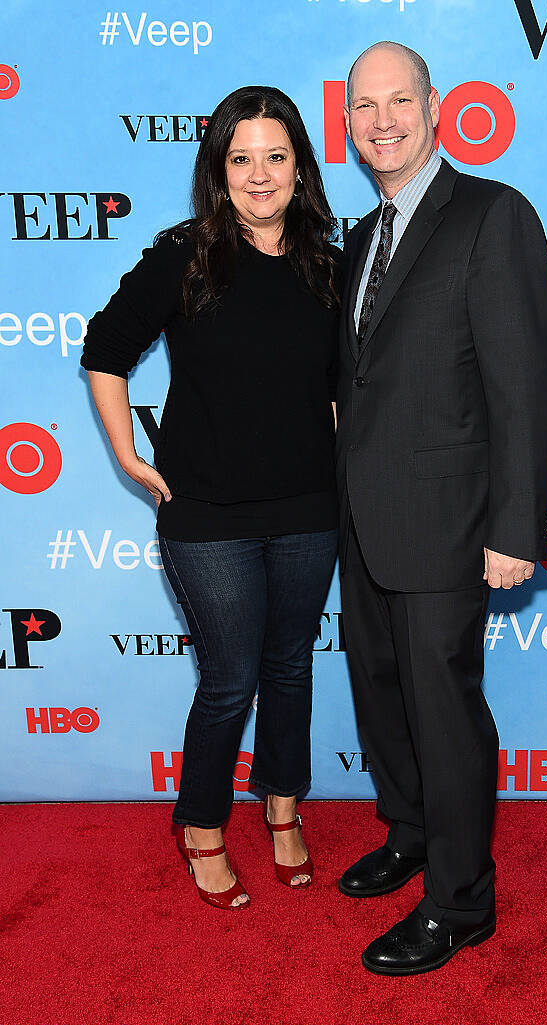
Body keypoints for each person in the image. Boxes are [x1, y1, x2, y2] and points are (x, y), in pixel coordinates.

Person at [81, 86, 342, 909]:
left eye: (275, 156)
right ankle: (201, 825)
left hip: (308, 507)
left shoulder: (328, 264)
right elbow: (105, 348)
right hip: (208, 516)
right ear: (217, 170)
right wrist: (127, 453)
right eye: (240, 158)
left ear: (300, 166)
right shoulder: (183, 253)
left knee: (290, 666)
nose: (259, 175)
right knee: (230, 679)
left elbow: (336, 390)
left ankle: (283, 806)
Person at [336, 42, 547, 974]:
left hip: (451, 521)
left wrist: (516, 527)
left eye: (399, 100)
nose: (381, 120)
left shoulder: (492, 215)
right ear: (345, 120)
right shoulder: (359, 235)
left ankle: (461, 901)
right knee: (380, 692)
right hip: (363, 516)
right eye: (363, 105)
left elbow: (524, 383)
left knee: (443, 709)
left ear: (434, 108)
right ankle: (411, 830)